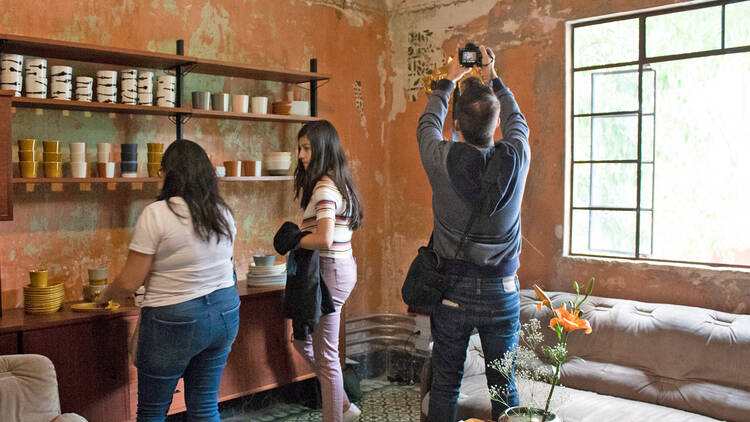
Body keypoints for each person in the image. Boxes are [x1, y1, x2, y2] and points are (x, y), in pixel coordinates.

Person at [417, 45, 530, 421]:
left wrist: (449, 80)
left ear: (459, 126)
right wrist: (493, 76)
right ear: (496, 124)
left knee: (446, 384)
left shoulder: (440, 158)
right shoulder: (517, 157)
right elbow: (519, 122)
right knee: (504, 387)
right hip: (503, 290)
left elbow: (427, 125)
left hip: (452, 291)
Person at [95, 139, 240, 422]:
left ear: (168, 174)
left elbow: (129, 281)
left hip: (176, 318)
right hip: (225, 311)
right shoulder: (222, 212)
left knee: (152, 411)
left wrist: (105, 295)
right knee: (205, 405)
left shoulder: (157, 213)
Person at [288, 120, 364, 422]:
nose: (300, 155)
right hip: (340, 268)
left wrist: (295, 239)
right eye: (299, 148)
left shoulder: (324, 187)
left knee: (327, 356)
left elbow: (324, 239)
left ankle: (338, 414)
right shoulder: (339, 182)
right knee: (302, 342)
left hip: (330, 271)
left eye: (306, 148)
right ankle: (345, 407)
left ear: (321, 148)